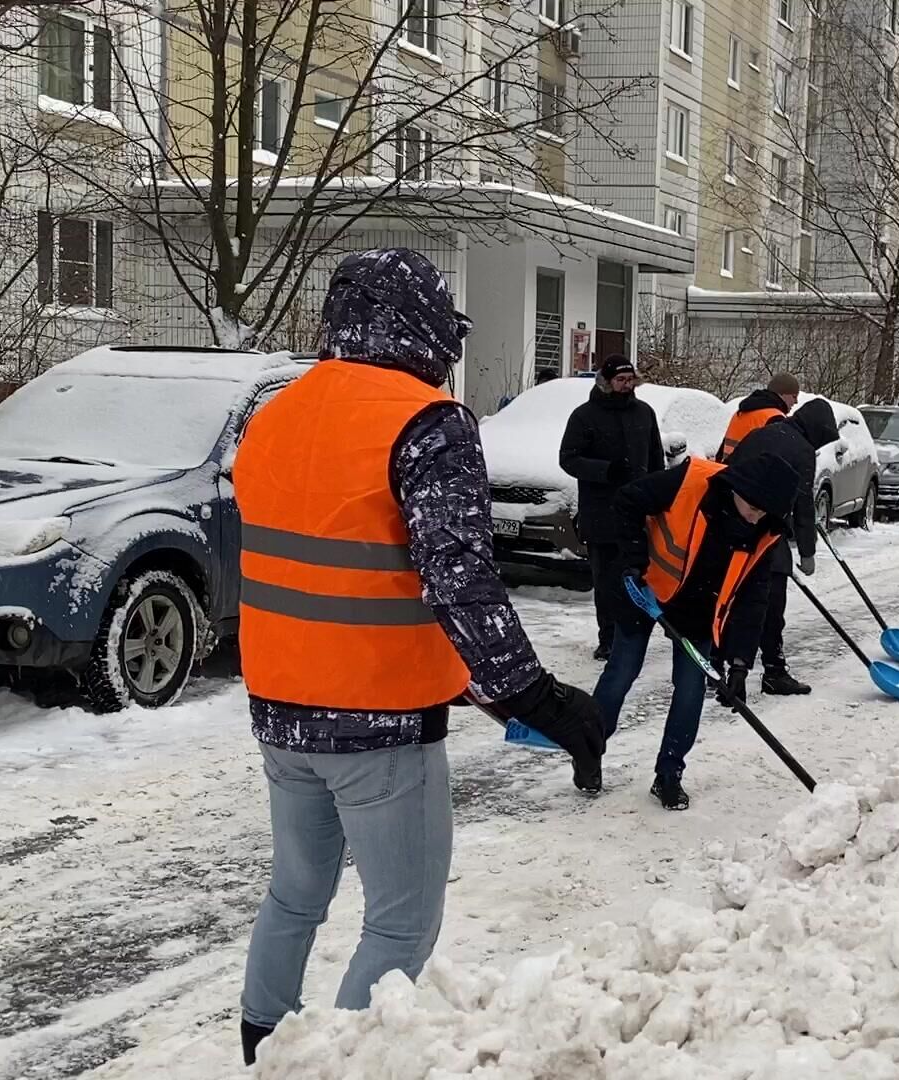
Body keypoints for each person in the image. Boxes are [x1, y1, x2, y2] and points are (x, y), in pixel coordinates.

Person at [234, 249, 605, 1066]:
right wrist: (534, 698)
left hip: (276, 708)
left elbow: (331, 561)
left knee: (295, 894)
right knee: (401, 921)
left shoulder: (276, 412)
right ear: (425, 330)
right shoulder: (427, 423)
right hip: (379, 722)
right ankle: (340, 1064)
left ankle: (262, 1050)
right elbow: (460, 578)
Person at [598, 451, 799, 811]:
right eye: (752, 505)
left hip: (696, 610)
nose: (755, 515)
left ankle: (670, 773)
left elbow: (754, 601)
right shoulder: (690, 482)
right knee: (622, 671)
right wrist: (633, 560)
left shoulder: (763, 533)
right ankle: (589, 747)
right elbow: (627, 500)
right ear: (739, 486)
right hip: (642, 588)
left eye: (764, 510)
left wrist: (739, 665)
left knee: (690, 689)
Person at [722, 397, 841, 697]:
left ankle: (720, 665)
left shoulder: (760, 433)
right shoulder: (802, 451)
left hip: (731, 525)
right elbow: (803, 504)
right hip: (766, 531)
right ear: (816, 431)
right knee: (770, 604)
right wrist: (807, 551)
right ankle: (773, 671)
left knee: (734, 599)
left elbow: (727, 469)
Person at [559, 355, 664, 660]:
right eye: (620, 380)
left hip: (638, 513)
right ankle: (609, 639)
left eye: (631, 380)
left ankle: (634, 634)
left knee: (637, 575)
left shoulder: (644, 413)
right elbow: (568, 459)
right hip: (601, 514)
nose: (627, 386)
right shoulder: (584, 416)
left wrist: (658, 497)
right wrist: (606, 470)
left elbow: (656, 458)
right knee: (606, 582)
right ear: (606, 382)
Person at [718, 373, 801, 460]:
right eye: (794, 397)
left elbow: (721, 452)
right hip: (748, 472)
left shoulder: (740, 412)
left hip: (726, 470)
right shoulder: (775, 418)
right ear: (782, 393)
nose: (796, 402)